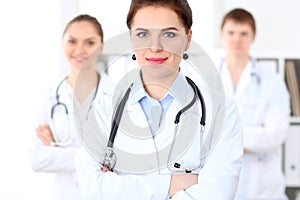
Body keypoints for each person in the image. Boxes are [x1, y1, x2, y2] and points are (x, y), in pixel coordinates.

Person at [75, 1, 243, 199]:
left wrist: (120, 185)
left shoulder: (220, 109)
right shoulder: (104, 107)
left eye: (169, 34)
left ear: (187, 40)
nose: (154, 47)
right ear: (131, 39)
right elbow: (91, 189)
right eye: (143, 34)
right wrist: (172, 184)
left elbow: (218, 194)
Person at [28, 14, 112, 200]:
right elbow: (36, 159)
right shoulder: (50, 98)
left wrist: (56, 150)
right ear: (62, 44)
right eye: (72, 41)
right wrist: (97, 155)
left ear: (101, 47)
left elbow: (126, 158)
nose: (79, 50)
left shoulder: (117, 96)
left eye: (90, 43)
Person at [218, 8, 290, 200]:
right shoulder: (207, 80)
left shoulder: (272, 80)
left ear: (253, 36)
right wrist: (252, 135)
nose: (237, 40)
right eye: (231, 33)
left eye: (244, 34)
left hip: (262, 189)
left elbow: (276, 134)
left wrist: (226, 139)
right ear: (221, 34)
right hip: (218, 185)